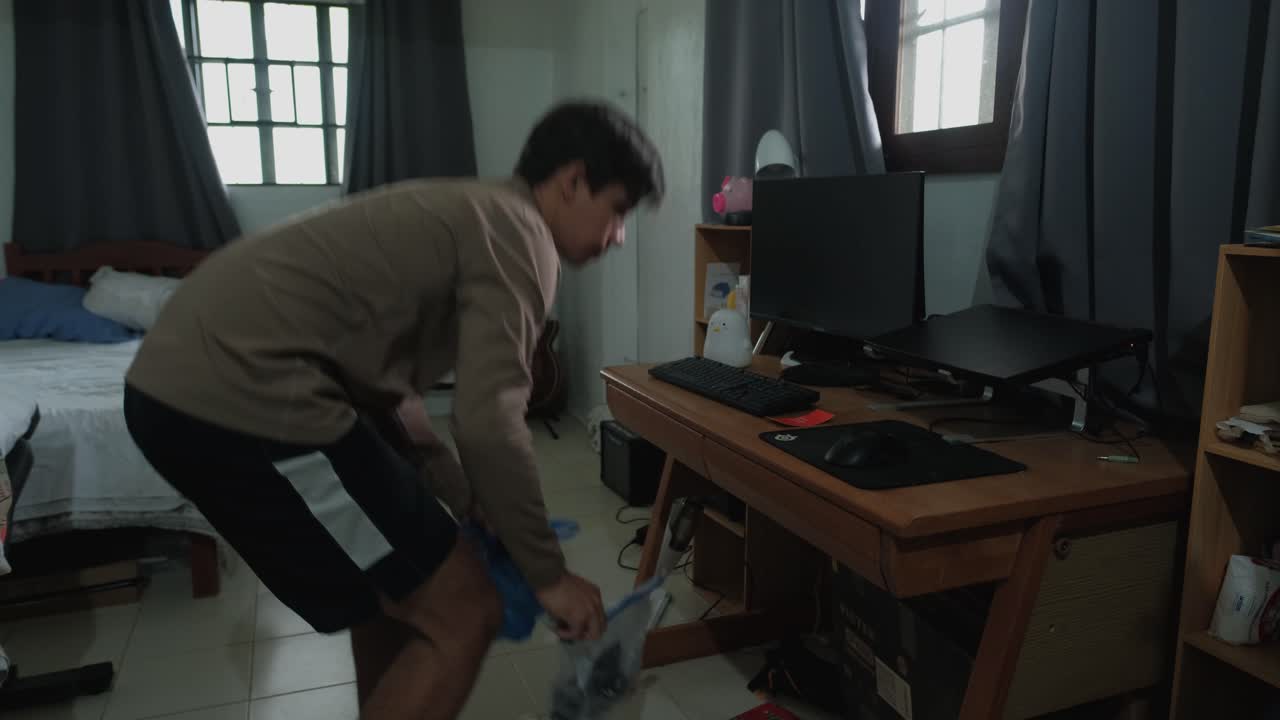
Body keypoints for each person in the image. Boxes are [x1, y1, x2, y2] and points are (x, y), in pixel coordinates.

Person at [122, 100, 664, 720]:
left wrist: (467, 500)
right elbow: (490, 422)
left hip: (199, 386)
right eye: (619, 210)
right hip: (248, 397)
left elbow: (399, 410)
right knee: (466, 609)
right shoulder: (520, 233)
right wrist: (548, 575)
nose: (619, 235)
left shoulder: (471, 210)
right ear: (573, 182)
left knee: (391, 589)